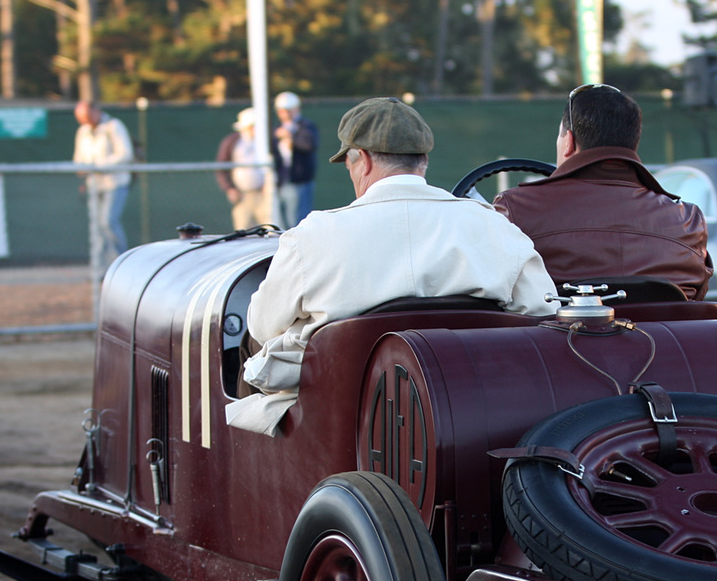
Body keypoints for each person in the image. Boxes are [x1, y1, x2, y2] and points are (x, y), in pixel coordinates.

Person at [227, 97, 557, 435]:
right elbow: (541, 313)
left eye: (349, 164)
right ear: (423, 161)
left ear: (363, 160)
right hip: (472, 418)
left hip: (340, 420)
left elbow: (262, 326)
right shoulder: (495, 227)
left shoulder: (312, 236)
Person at [493, 83, 712, 301]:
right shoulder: (688, 222)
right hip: (661, 337)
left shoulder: (514, 211)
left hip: (561, 336)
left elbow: (494, 296)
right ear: (633, 144)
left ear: (569, 141)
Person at [72, 100, 134, 261]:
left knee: (108, 222)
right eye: (80, 118)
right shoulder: (83, 131)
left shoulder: (113, 126)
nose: (84, 121)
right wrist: (82, 168)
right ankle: (99, 269)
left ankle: (121, 263)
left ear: (96, 112)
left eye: (86, 116)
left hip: (115, 183)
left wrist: (100, 166)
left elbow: (125, 153)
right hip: (93, 185)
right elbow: (79, 157)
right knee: (96, 228)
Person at [216, 108, 269, 231]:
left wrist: (271, 185)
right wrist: (230, 188)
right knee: (244, 229)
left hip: (264, 195)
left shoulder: (267, 141)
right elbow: (222, 167)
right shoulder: (232, 142)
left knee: (270, 230)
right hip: (242, 195)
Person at [271, 91, 318, 228]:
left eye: (288, 110)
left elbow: (309, 144)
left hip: (300, 180)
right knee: (280, 222)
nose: (285, 114)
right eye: (282, 111)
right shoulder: (276, 129)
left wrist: (290, 138)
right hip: (281, 180)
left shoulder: (306, 126)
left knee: (298, 222)